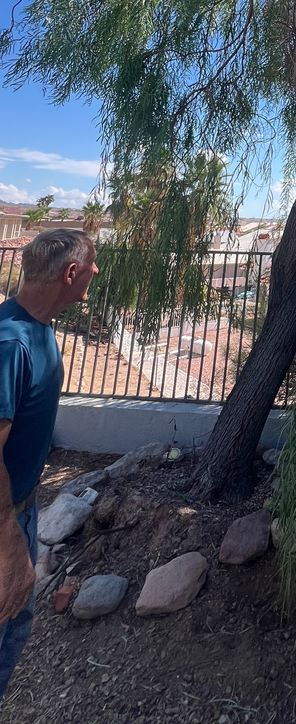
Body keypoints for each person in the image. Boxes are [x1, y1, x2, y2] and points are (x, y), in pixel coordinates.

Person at [0, 229, 98, 701]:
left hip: (23, 509)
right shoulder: (11, 345)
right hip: (4, 520)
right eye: (92, 264)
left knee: (13, 637)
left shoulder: (37, 325)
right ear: (70, 274)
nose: (96, 272)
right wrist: (10, 548)